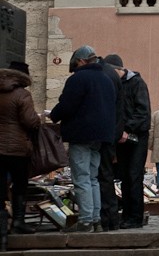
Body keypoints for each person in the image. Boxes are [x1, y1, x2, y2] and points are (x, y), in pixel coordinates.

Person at [49, 46, 117, 233]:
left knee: (82, 178)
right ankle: (95, 220)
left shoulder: (78, 79)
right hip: (101, 136)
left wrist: (53, 116)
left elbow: (67, 105)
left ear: (80, 61)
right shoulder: (106, 79)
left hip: (81, 134)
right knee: (93, 178)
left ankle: (86, 220)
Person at [104, 54, 151, 229]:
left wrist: (127, 129)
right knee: (124, 177)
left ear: (118, 70)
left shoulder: (137, 83)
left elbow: (143, 113)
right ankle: (127, 216)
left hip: (136, 138)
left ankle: (135, 217)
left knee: (134, 176)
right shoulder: (115, 85)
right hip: (121, 139)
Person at [0, 60, 41, 239]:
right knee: (19, 186)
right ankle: (18, 222)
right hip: (17, 149)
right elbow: (29, 121)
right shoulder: (22, 94)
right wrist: (38, 120)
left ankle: (1, 232)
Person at [96, 53, 123, 231]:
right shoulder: (112, 76)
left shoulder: (104, 75)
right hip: (111, 132)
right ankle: (111, 217)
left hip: (103, 133)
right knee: (106, 176)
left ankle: (106, 217)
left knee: (102, 176)